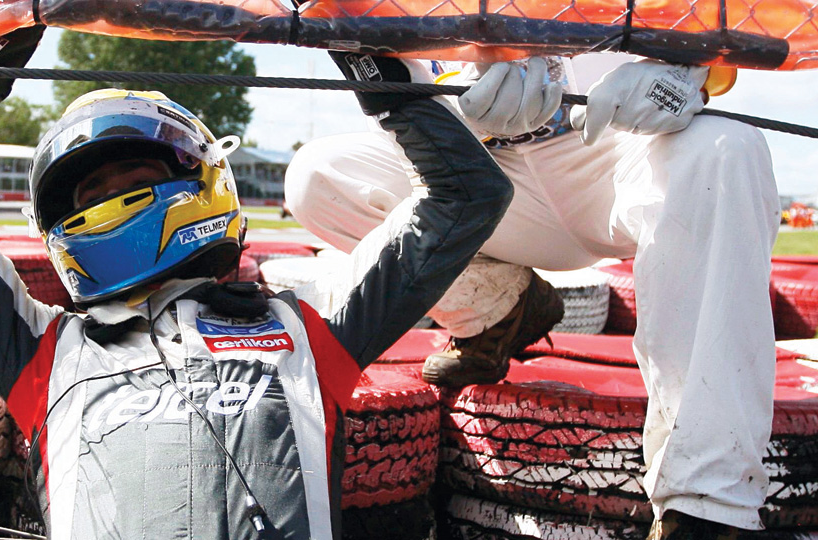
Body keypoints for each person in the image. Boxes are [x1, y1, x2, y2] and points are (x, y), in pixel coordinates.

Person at [0, 27, 518, 540]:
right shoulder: (38, 349)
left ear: (203, 179)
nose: (114, 199)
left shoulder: (310, 327)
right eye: (93, 192)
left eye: (136, 178)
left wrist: (364, 54)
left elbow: (468, 195)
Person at [286, 54, 780, 539]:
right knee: (320, 176)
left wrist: (691, 71)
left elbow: (752, 26)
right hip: (485, 166)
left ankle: (705, 505)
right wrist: (447, 111)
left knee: (726, 150)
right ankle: (497, 309)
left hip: (620, 150)